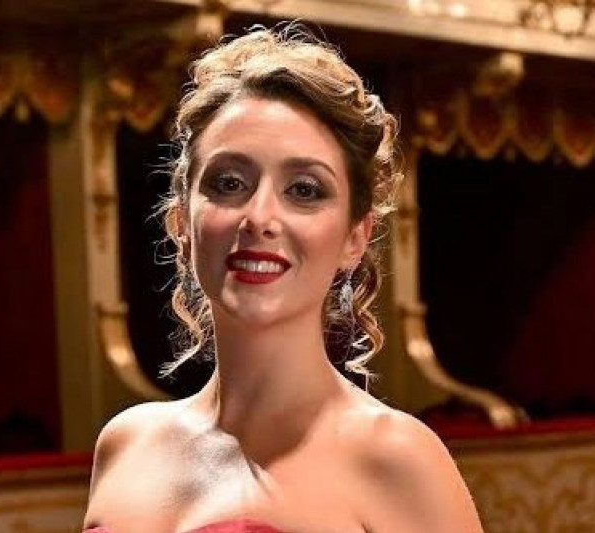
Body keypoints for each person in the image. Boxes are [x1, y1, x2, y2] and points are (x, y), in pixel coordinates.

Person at [83, 26, 484, 533]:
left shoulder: (398, 459)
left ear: (355, 237)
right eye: (229, 182)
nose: (259, 217)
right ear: (182, 221)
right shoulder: (126, 444)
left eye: (304, 189)